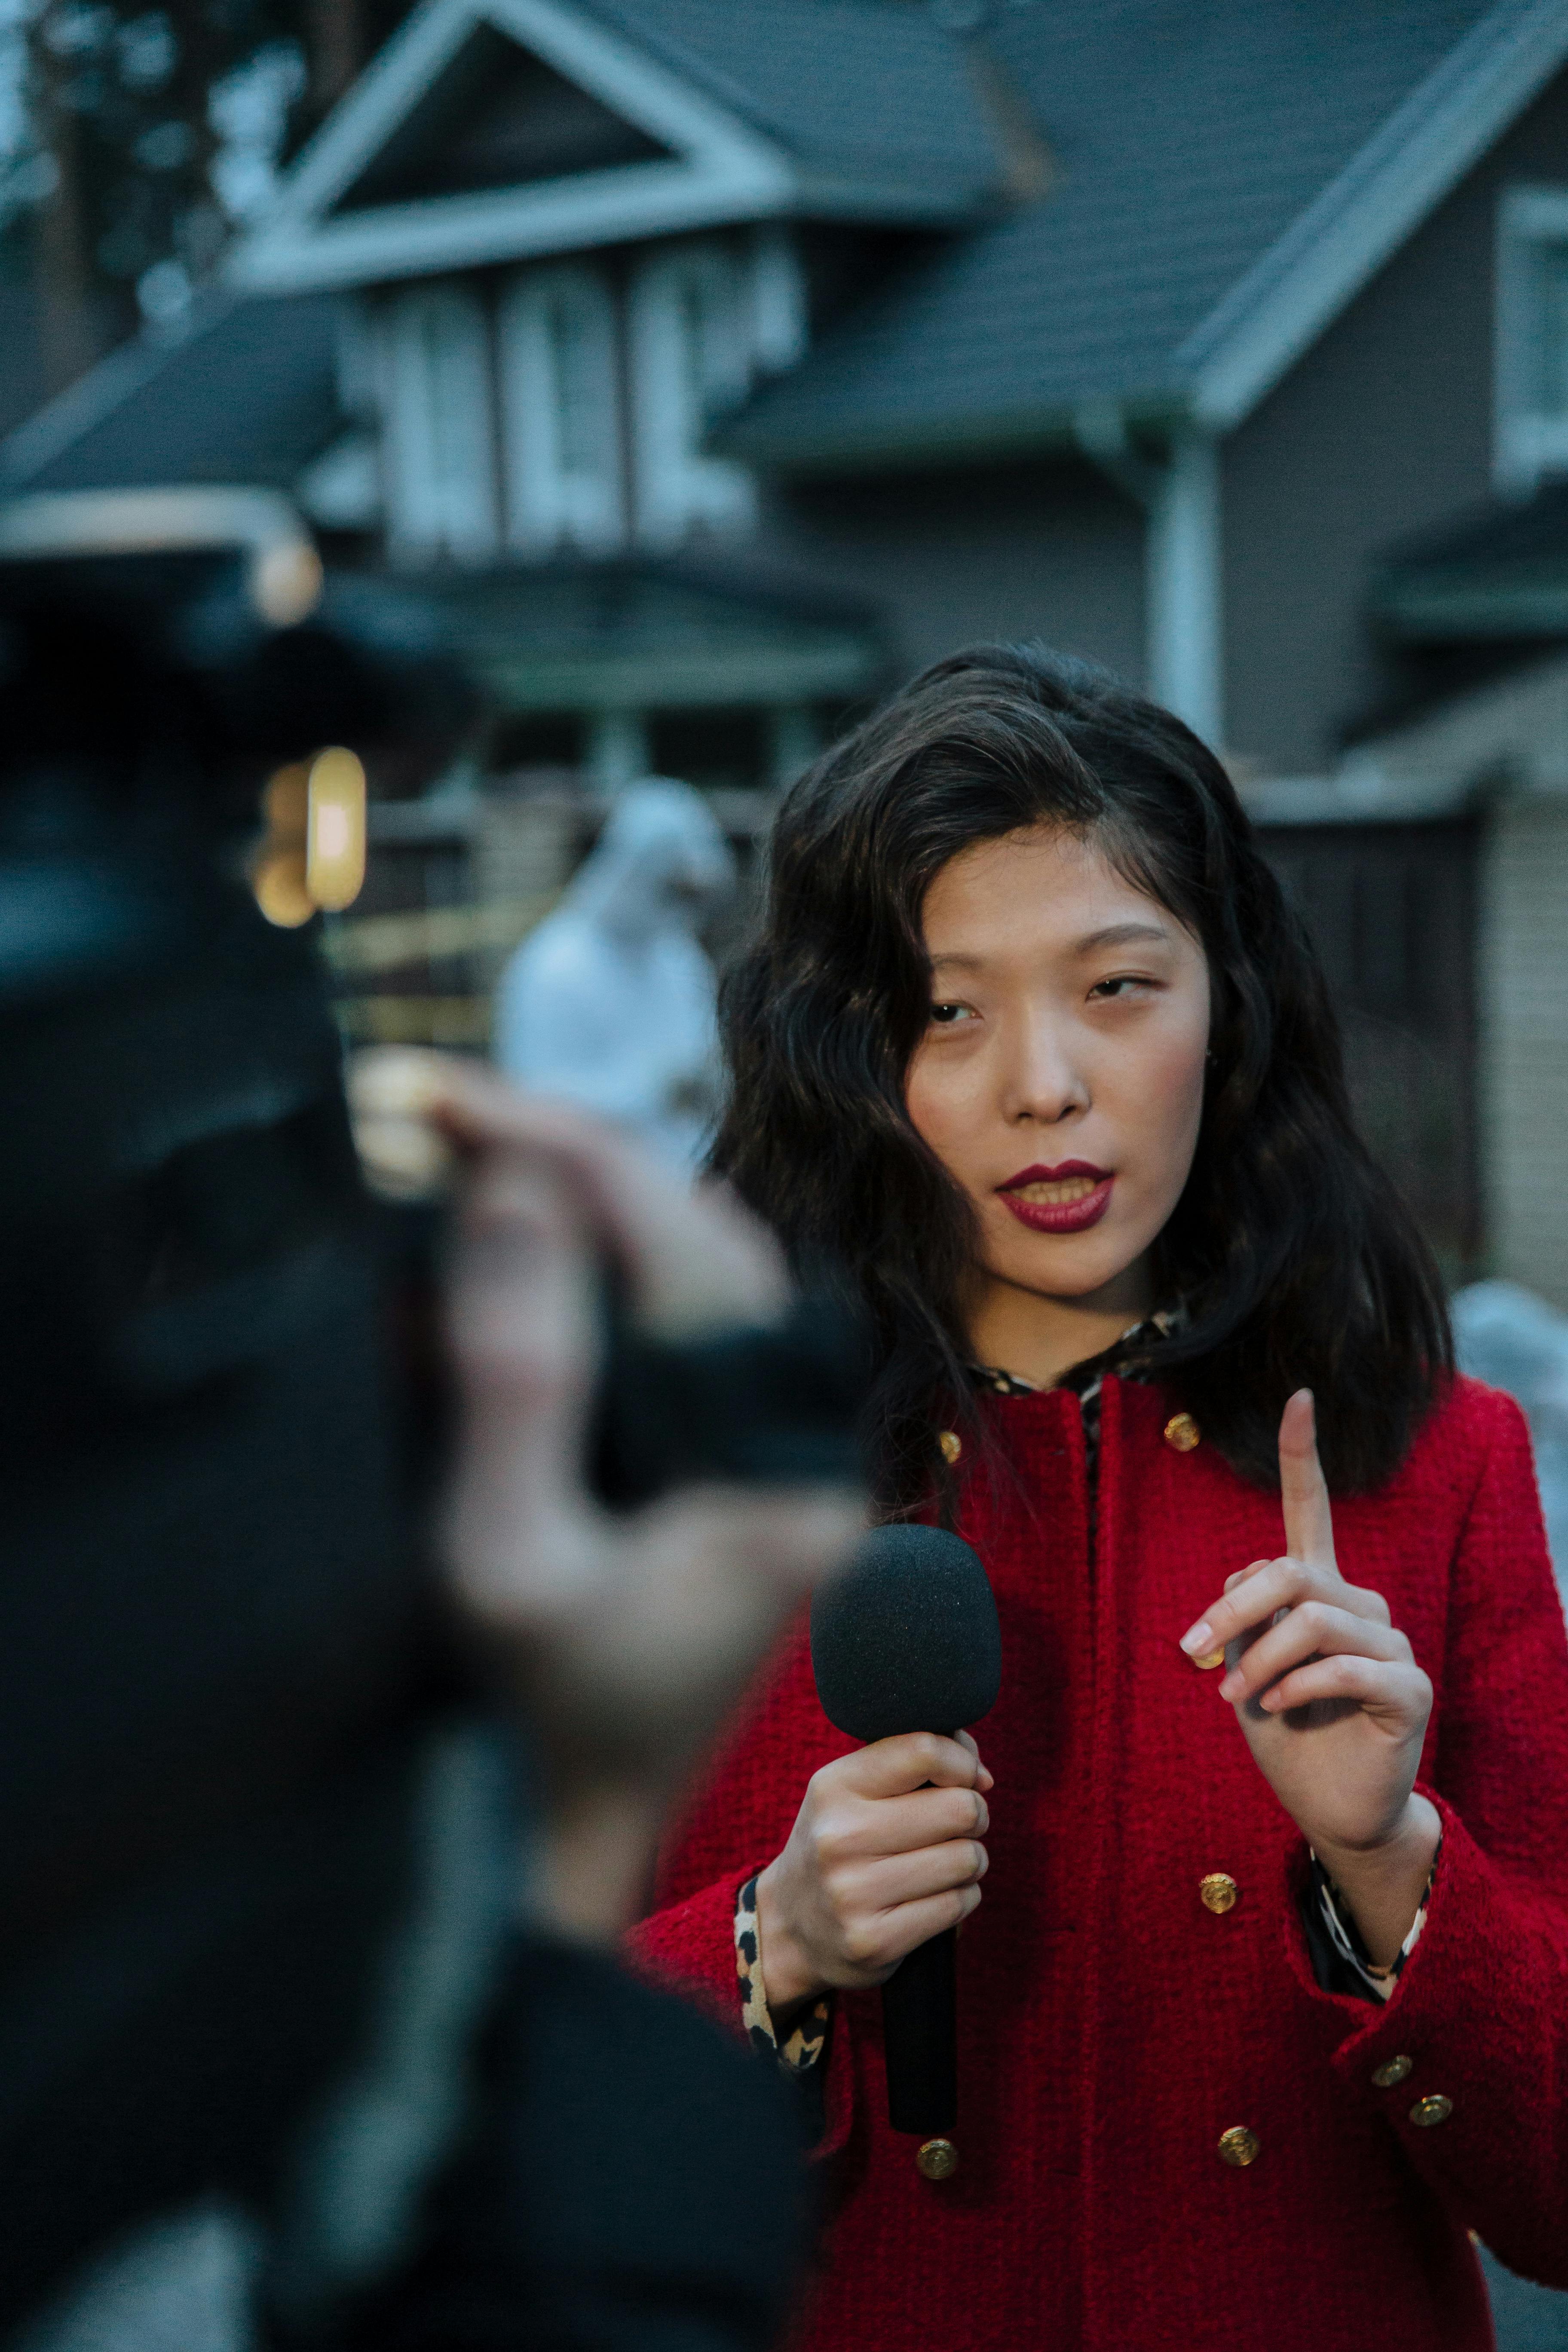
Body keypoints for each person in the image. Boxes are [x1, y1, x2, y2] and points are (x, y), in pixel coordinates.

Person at [627, 646, 1568, 2352]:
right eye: (948, 1008)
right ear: (850, 1053)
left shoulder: (1442, 1464)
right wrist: (776, 1945)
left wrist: (1396, 1867)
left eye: (1118, 987)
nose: (1043, 1083)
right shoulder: (696, 1478)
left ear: (1232, 1000)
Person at [493, 780, 735, 1173]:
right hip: (592, 1197)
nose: (680, 910)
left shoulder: (678, 957)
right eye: (673, 891)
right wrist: (655, 1090)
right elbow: (533, 1104)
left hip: (684, 1189)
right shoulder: (555, 965)